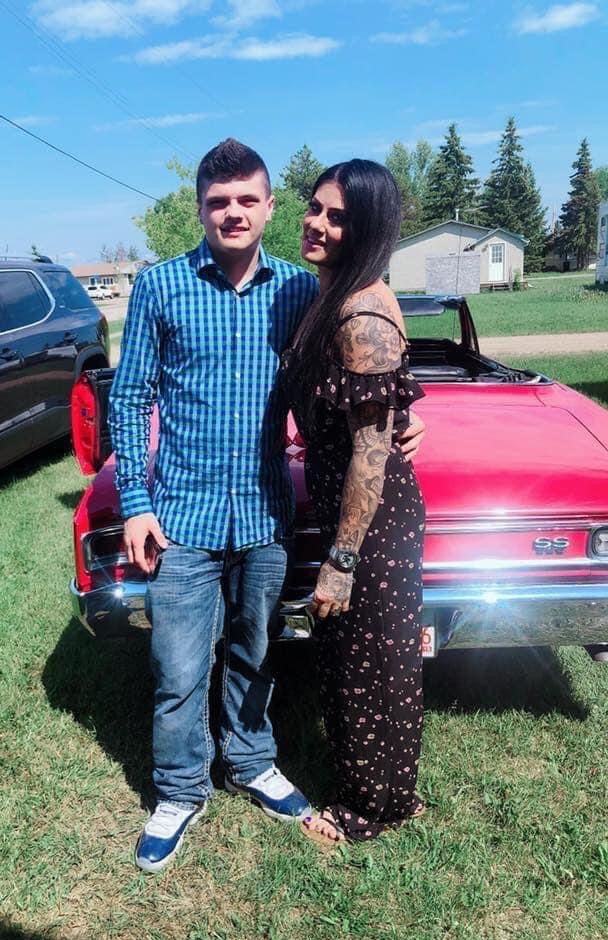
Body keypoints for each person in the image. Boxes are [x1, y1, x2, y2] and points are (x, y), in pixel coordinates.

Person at [108, 140, 425, 873]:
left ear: (268, 207)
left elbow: (366, 369)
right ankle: (180, 788)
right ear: (199, 208)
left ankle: (251, 760)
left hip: (265, 516)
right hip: (181, 516)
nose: (233, 213)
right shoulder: (160, 286)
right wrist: (133, 503)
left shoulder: (298, 291)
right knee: (177, 667)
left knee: (256, 652)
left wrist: (409, 415)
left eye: (248, 200)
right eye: (219, 201)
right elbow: (129, 400)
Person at [285, 159, 426, 844]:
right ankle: (389, 789)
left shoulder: (362, 311)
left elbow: (371, 452)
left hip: (372, 519)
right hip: (358, 509)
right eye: (315, 206)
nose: (317, 221)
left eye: (337, 215)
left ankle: (370, 808)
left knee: (371, 664)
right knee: (363, 655)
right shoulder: (333, 294)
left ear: (365, 227)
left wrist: (341, 558)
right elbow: (380, 417)